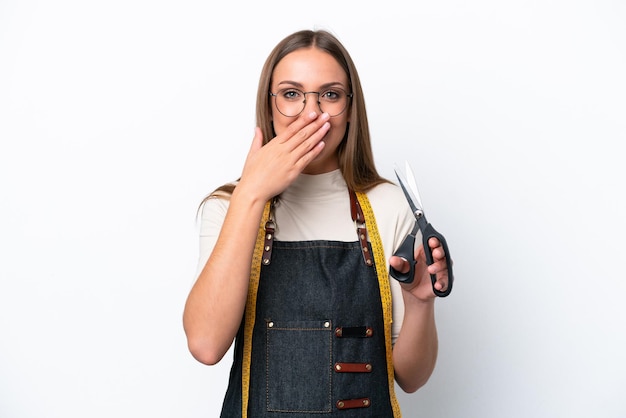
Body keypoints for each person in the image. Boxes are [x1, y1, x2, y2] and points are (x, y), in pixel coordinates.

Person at [183, 29, 451, 417]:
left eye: (330, 94)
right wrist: (252, 195)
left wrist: (420, 302)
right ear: (269, 105)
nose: (312, 113)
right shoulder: (230, 206)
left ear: (350, 106)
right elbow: (205, 346)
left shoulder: (389, 206)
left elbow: (411, 377)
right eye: (292, 94)